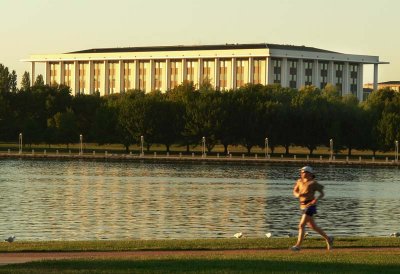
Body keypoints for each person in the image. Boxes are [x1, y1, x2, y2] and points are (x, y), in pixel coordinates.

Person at [290, 166, 334, 251]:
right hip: (302, 206)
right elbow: (295, 191)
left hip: (310, 206)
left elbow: (322, 194)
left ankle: (298, 246)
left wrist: (316, 200)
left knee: (301, 225)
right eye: (301, 172)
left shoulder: (313, 183)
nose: (301, 173)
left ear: (308, 173)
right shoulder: (299, 181)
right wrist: (297, 195)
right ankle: (329, 239)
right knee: (313, 226)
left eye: (303, 172)